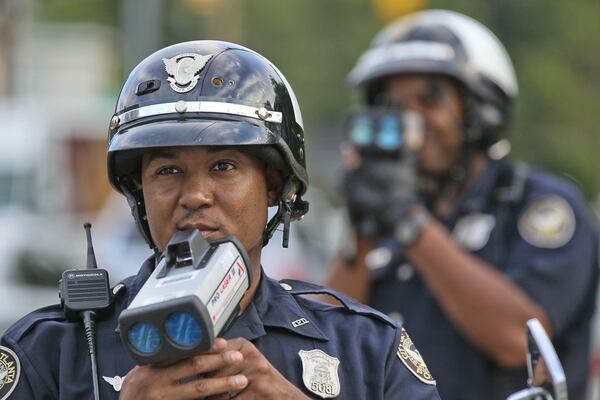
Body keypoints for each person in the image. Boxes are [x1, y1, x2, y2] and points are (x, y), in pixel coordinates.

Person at [0, 40, 441, 399]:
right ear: (140, 194)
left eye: (224, 167)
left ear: (274, 186)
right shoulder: (54, 350)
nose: (194, 195)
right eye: (168, 171)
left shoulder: (366, 349)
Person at [326, 9, 598, 400]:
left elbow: (515, 340)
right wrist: (361, 226)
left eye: (428, 100)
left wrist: (408, 222)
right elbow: (325, 339)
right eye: (393, 105)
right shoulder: (389, 213)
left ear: (482, 110)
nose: (410, 121)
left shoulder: (540, 204)